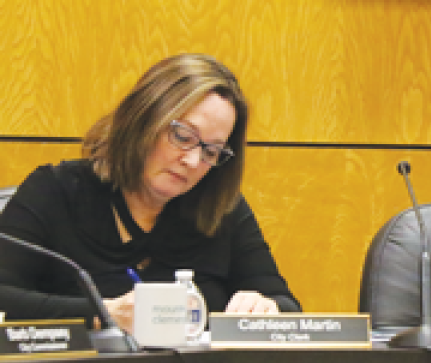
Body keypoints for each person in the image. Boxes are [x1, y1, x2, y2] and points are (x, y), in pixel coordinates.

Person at [0, 53, 300, 333]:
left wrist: (266, 306)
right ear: (143, 119)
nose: (193, 161)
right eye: (183, 137)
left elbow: (287, 306)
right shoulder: (55, 192)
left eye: (211, 151)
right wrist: (103, 313)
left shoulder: (222, 209)